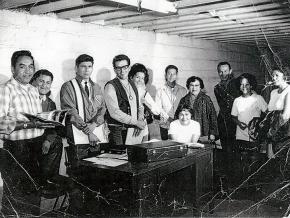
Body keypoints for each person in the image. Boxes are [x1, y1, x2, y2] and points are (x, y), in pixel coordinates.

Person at [0, 50, 49, 215]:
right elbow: (0, 123)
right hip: (16, 148)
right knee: (16, 196)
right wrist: (28, 125)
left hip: (36, 145)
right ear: (13, 69)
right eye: (22, 67)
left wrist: (46, 122)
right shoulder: (5, 89)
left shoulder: (33, 90)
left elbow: (36, 120)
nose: (28, 71)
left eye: (31, 67)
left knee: (34, 193)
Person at [60, 54, 107, 160]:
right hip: (78, 134)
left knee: (96, 167)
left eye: (89, 66)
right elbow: (71, 112)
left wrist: (94, 124)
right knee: (79, 169)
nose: (87, 70)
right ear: (76, 68)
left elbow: (102, 109)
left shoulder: (96, 87)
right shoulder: (68, 86)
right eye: (83, 66)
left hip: (96, 133)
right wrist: (88, 132)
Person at [231, 73, 267, 185]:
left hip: (254, 135)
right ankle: (244, 185)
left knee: (254, 161)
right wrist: (239, 123)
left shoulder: (258, 98)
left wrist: (258, 125)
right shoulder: (237, 100)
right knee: (242, 161)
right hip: (240, 135)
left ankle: (254, 185)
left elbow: (267, 114)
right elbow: (233, 116)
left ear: (251, 85)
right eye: (241, 85)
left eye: (247, 84)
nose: (244, 87)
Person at [30, 69, 63, 185]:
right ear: (34, 81)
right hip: (28, 139)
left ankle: (48, 178)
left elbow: (53, 127)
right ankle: (41, 181)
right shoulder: (27, 99)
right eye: (41, 81)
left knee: (57, 142)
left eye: (48, 82)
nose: (44, 85)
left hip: (42, 139)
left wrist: (48, 140)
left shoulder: (51, 103)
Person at [104, 55, 146, 147]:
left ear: (129, 67)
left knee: (134, 158)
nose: (122, 71)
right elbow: (114, 112)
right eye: (118, 68)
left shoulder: (132, 83)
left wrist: (139, 120)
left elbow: (139, 105)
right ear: (114, 70)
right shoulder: (110, 86)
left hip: (132, 130)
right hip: (117, 132)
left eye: (125, 67)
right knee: (119, 159)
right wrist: (136, 122)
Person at [128, 63, 167, 141]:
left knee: (142, 150)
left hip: (142, 128)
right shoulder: (125, 91)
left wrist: (146, 103)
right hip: (129, 126)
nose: (140, 80)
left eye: (142, 78)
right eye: (137, 77)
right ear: (131, 77)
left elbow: (157, 111)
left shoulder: (144, 93)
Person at [175, 76, 219, 142]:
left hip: (204, 134)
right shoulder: (183, 100)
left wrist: (212, 133)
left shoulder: (206, 99)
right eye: (191, 85)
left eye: (196, 85)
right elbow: (177, 116)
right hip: (188, 134)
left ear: (200, 87)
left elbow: (213, 117)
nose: (194, 88)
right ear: (188, 87)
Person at [214, 62, 240, 174]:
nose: (223, 73)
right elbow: (222, 106)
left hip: (237, 119)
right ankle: (229, 172)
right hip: (224, 120)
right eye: (220, 71)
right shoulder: (217, 88)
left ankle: (238, 171)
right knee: (226, 148)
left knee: (237, 147)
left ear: (230, 71)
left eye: (225, 71)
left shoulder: (239, 84)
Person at [155, 65, 187, 140]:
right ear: (165, 75)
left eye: (174, 74)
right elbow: (158, 108)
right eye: (169, 73)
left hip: (180, 123)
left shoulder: (183, 90)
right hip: (165, 124)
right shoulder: (160, 90)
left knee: (180, 146)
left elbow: (185, 107)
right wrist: (169, 119)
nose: (171, 76)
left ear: (176, 75)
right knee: (167, 147)